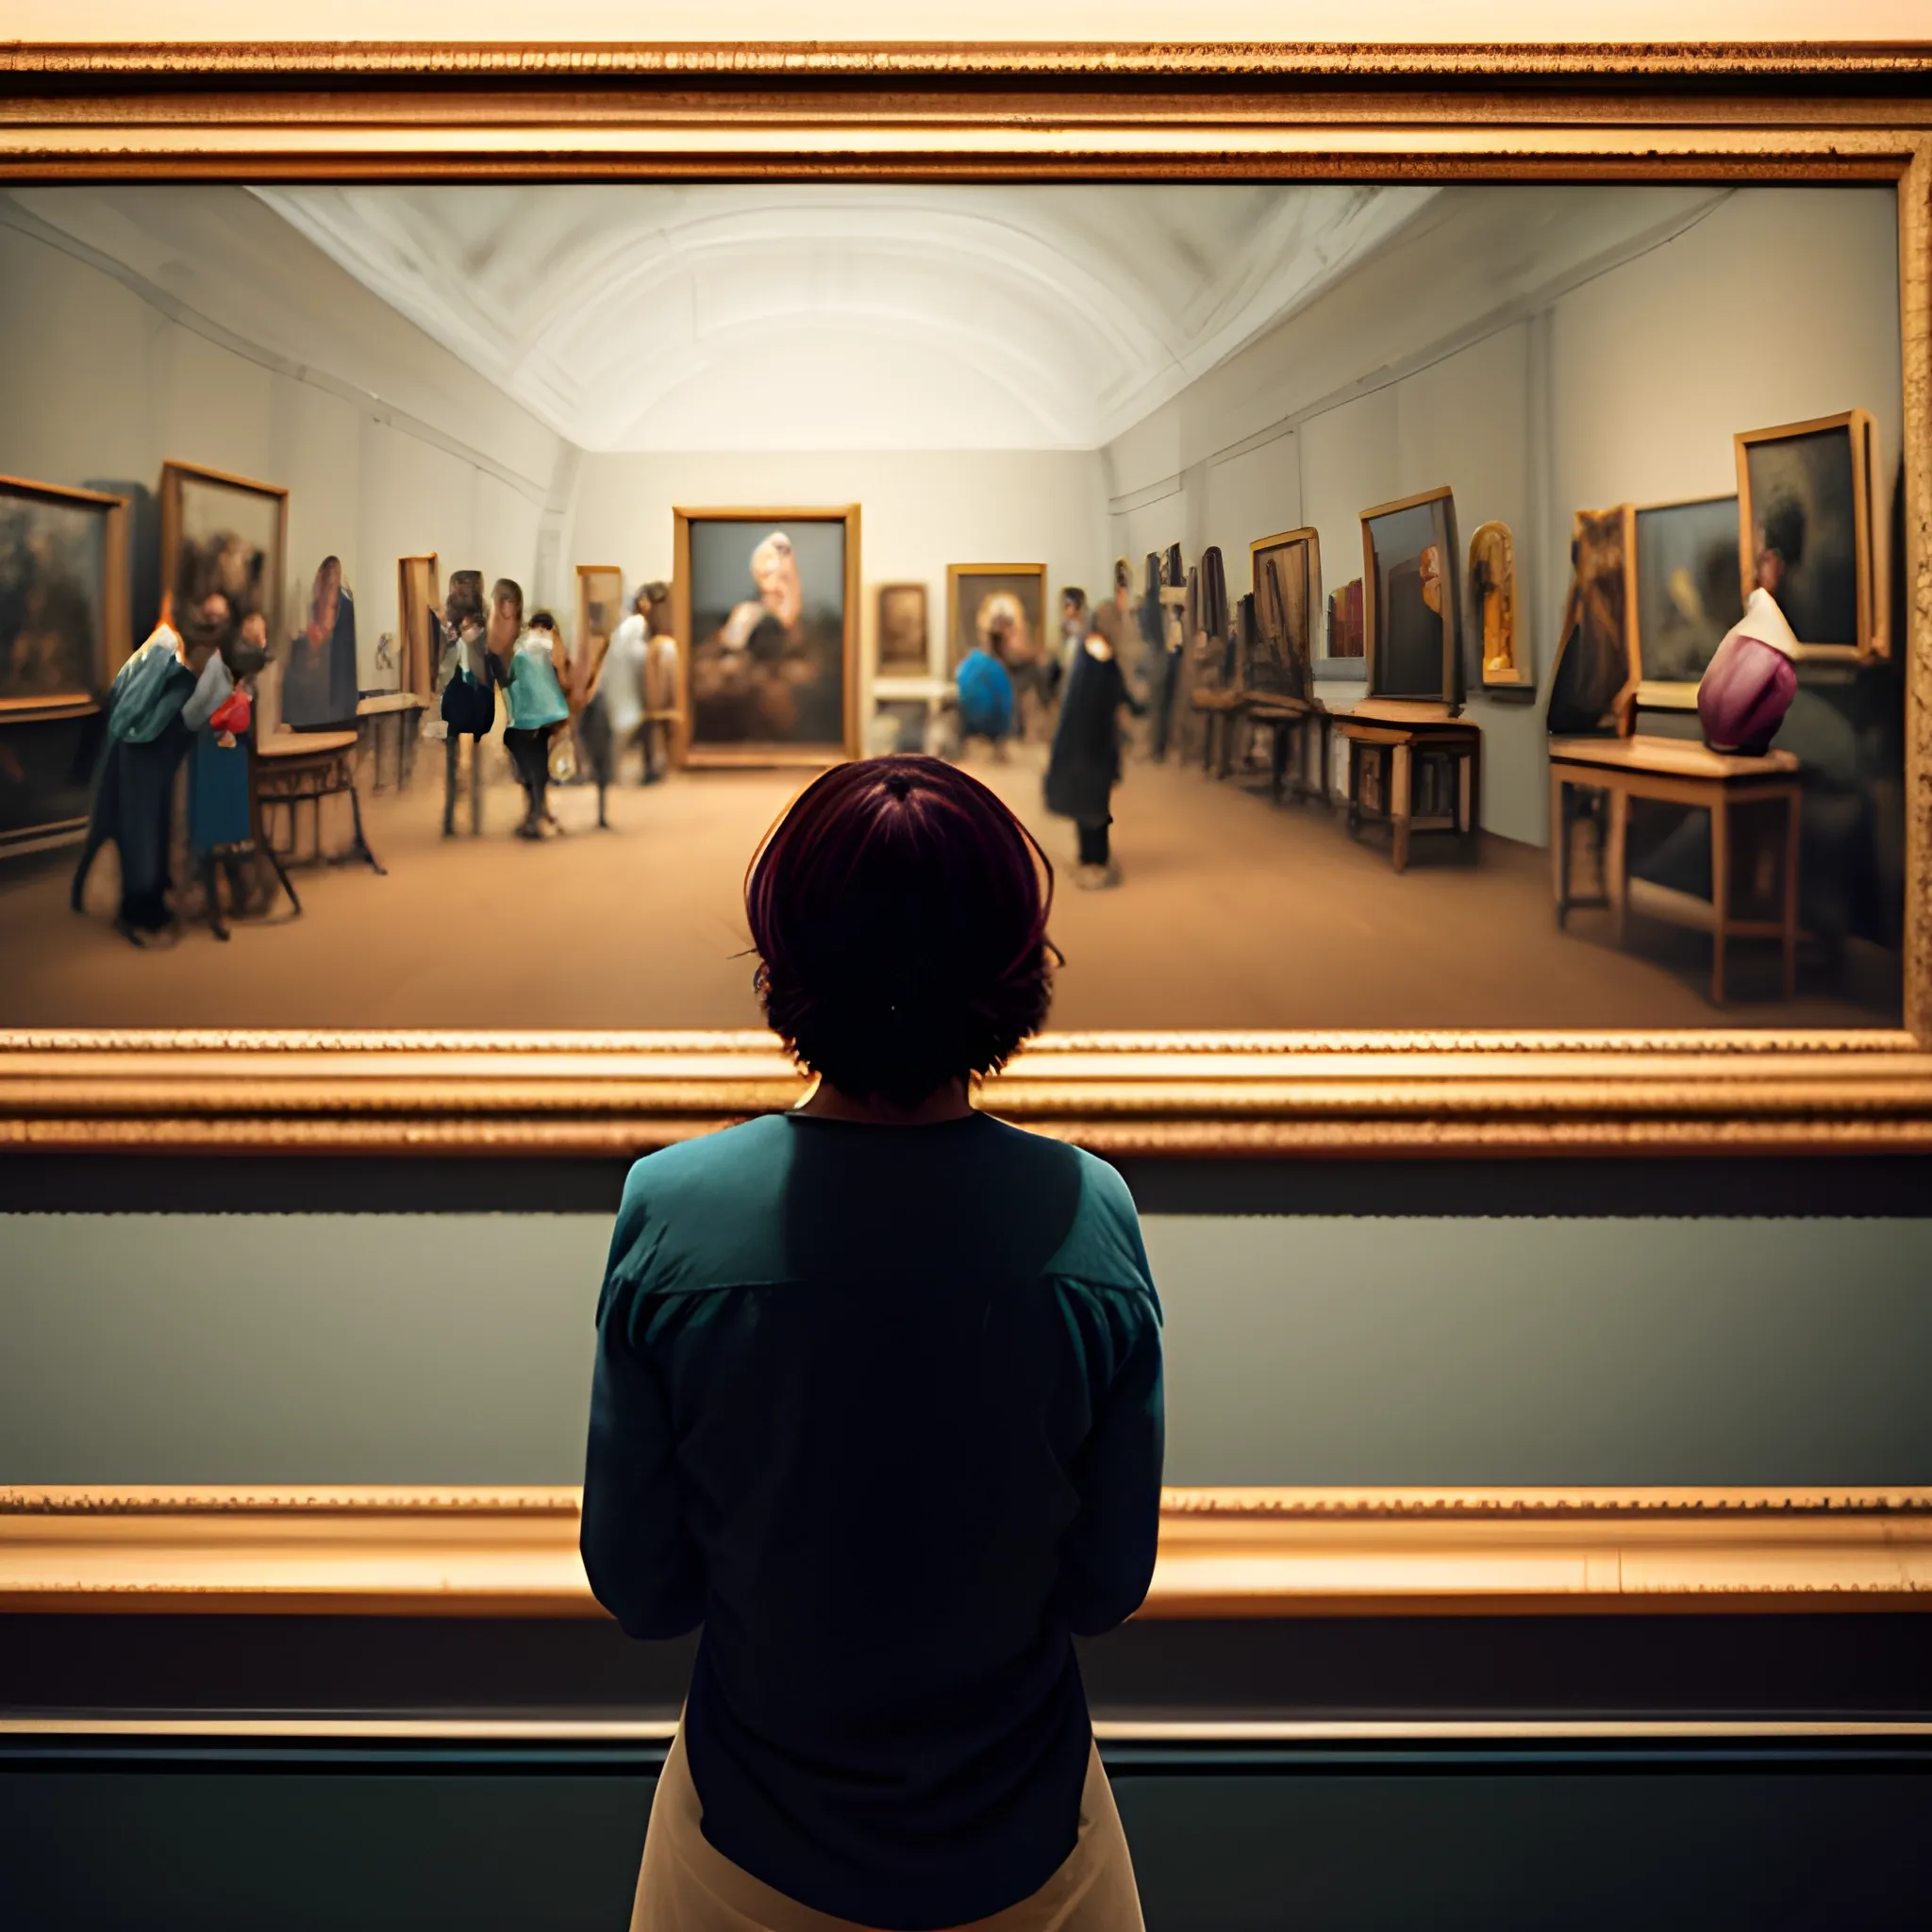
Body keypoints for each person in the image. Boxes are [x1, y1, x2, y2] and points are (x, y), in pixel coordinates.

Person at [582, 756, 1162, 1932]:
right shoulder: (1087, 1214)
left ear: (785, 955)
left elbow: (641, 1586)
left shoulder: (670, 1207)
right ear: (1011, 959)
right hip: (1030, 1857)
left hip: (744, 1857)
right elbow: (1106, 1583)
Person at [71, 544, 235, 945]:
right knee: (139, 827)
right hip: (140, 744)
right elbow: (129, 708)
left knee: (153, 823)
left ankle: (146, 898)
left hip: (160, 746)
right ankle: (140, 907)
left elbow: (192, 711)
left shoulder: (197, 655)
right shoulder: (164, 645)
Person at [1045, 602, 1146, 890]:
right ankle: (1093, 861)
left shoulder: (1093, 651)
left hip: (1090, 741)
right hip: (1088, 743)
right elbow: (1099, 696)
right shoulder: (1097, 652)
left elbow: (1112, 691)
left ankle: (1093, 858)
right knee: (1090, 804)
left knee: (1091, 803)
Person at [503, 595, 570, 841]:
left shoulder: (519, 649)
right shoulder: (554, 647)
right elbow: (564, 680)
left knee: (528, 768)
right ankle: (539, 815)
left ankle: (534, 814)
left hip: (522, 719)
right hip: (547, 718)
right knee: (541, 768)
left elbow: (510, 684)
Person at [955, 624, 1015, 760]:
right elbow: (1005, 701)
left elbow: (960, 678)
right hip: (989, 719)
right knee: (1006, 703)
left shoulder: (973, 659)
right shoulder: (996, 667)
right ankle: (999, 748)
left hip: (966, 715)